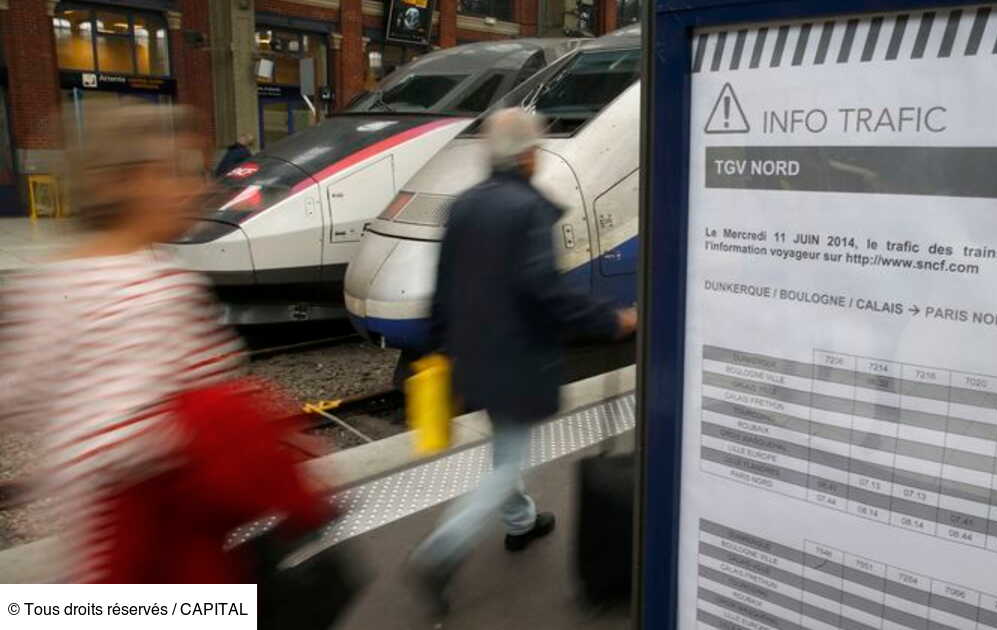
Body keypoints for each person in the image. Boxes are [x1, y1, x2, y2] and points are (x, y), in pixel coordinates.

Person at [0, 105, 329, 583]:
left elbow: (19, 392)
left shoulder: (51, 282)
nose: (196, 189)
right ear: (129, 183)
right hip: (160, 528)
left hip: (92, 530)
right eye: (177, 174)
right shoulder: (159, 287)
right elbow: (210, 412)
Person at [411, 107, 636, 614]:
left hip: (472, 354)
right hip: (515, 356)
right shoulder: (527, 210)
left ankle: (521, 522)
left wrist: (440, 348)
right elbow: (545, 290)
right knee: (509, 459)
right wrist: (611, 321)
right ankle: (440, 552)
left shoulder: (465, 205)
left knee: (504, 446)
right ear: (528, 156)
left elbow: (444, 287)